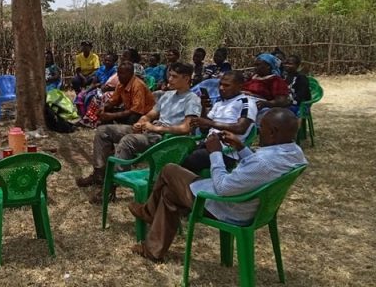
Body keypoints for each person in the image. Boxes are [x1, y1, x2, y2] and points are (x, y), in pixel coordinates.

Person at [127, 108, 308, 263]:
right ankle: (153, 250)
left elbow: (222, 188)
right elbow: (259, 169)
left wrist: (215, 153)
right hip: (254, 207)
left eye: (263, 128)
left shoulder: (264, 162)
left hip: (227, 207)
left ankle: (148, 212)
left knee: (169, 170)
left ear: (273, 132)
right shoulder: (294, 153)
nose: (260, 131)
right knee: (169, 193)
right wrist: (240, 147)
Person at [76, 63, 202, 203]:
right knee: (103, 131)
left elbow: (186, 128)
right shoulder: (168, 95)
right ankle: (99, 173)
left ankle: (112, 186)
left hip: (166, 138)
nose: (170, 79)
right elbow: (150, 115)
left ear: (186, 78)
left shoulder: (192, 99)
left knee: (128, 140)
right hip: (152, 130)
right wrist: (141, 122)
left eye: (174, 77)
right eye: (169, 75)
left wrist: (156, 129)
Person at [181, 71, 257, 174]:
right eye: (220, 84)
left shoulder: (246, 102)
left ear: (239, 86)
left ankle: (181, 184)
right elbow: (204, 129)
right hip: (208, 144)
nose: (221, 88)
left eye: (226, 85)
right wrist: (204, 107)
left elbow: (241, 128)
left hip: (228, 152)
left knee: (193, 159)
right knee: (178, 152)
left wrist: (209, 123)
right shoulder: (219, 103)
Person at [87, 61, 156, 129]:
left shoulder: (138, 85)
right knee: (107, 110)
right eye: (118, 73)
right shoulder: (121, 84)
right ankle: (108, 132)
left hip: (144, 113)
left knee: (133, 117)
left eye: (121, 73)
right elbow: (113, 100)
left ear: (130, 74)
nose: (118, 76)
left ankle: (126, 132)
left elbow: (136, 110)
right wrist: (104, 107)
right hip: (130, 110)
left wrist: (113, 116)